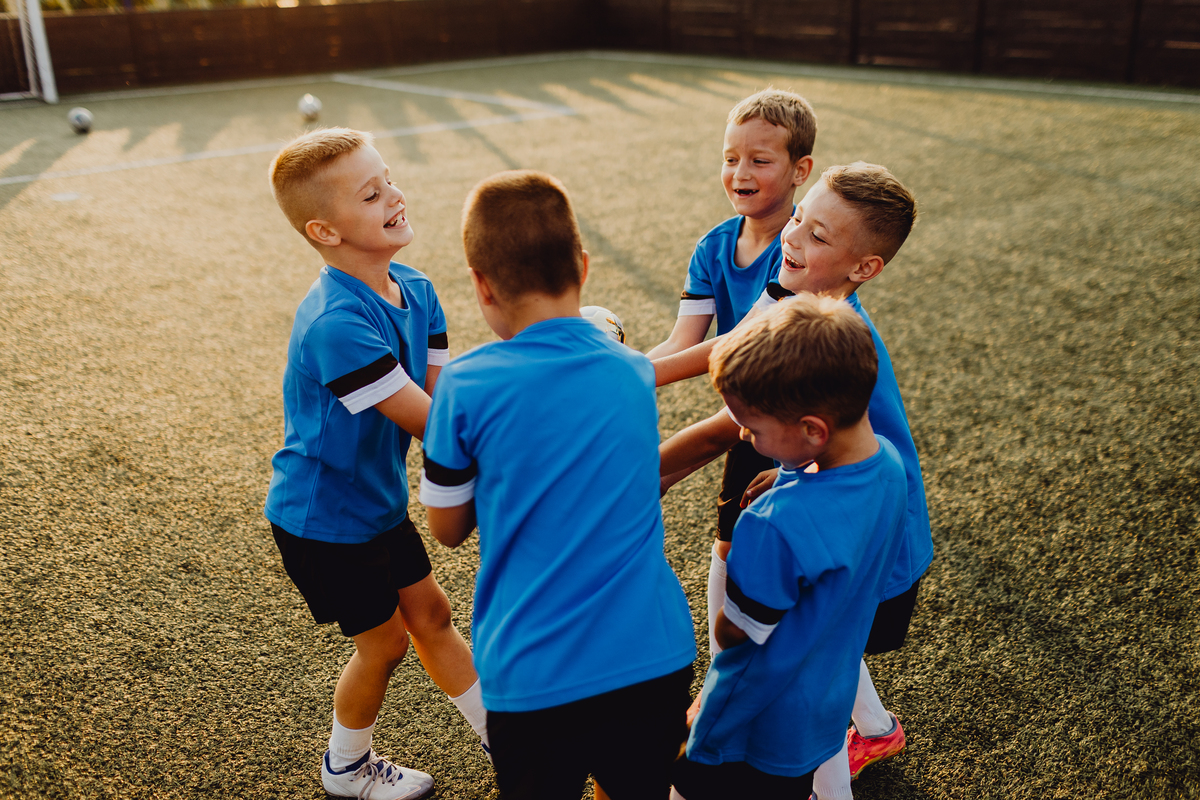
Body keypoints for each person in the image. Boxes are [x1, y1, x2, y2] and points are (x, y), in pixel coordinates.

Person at [420, 170, 696, 800]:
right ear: (584, 266)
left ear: (481, 286)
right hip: (653, 655)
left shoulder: (465, 384)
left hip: (533, 668)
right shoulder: (629, 371)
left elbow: (449, 529)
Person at [659, 163, 932, 798]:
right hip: (873, 519)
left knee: (806, 658)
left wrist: (643, 469)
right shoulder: (807, 306)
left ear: (863, 267)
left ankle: (858, 738)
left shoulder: (814, 343)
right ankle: (870, 730)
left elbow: (728, 425)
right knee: (824, 659)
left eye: (817, 236)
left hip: (869, 541)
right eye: (799, 220)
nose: (793, 238)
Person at [263, 128, 486, 800]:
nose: (394, 195)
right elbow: (432, 426)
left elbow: (443, 400)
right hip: (323, 519)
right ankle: (346, 768)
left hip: (376, 504)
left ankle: (509, 743)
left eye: (388, 178)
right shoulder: (337, 323)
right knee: (385, 645)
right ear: (325, 231)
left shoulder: (416, 289)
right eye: (371, 193)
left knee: (434, 618)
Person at [671, 295, 908, 800]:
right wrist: (787, 470)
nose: (745, 438)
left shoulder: (774, 526)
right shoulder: (889, 466)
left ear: (812, 431)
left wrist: (703, 715)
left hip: (750, 727)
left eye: (753, 430)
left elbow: (736, 637)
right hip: (824, 704)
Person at [646, 87, 818, 655]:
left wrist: (636, 380)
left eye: (760, 160)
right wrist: (608, 368)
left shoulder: (801, 249)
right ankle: (727, 678)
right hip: (749, 419)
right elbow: (681, 340)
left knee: (798, 580)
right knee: (730, 547)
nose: (740, 171)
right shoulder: (714, 247)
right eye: (730, 157)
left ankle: (863, 722)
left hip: (805, 425)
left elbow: (738, 341)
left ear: (801, 171)